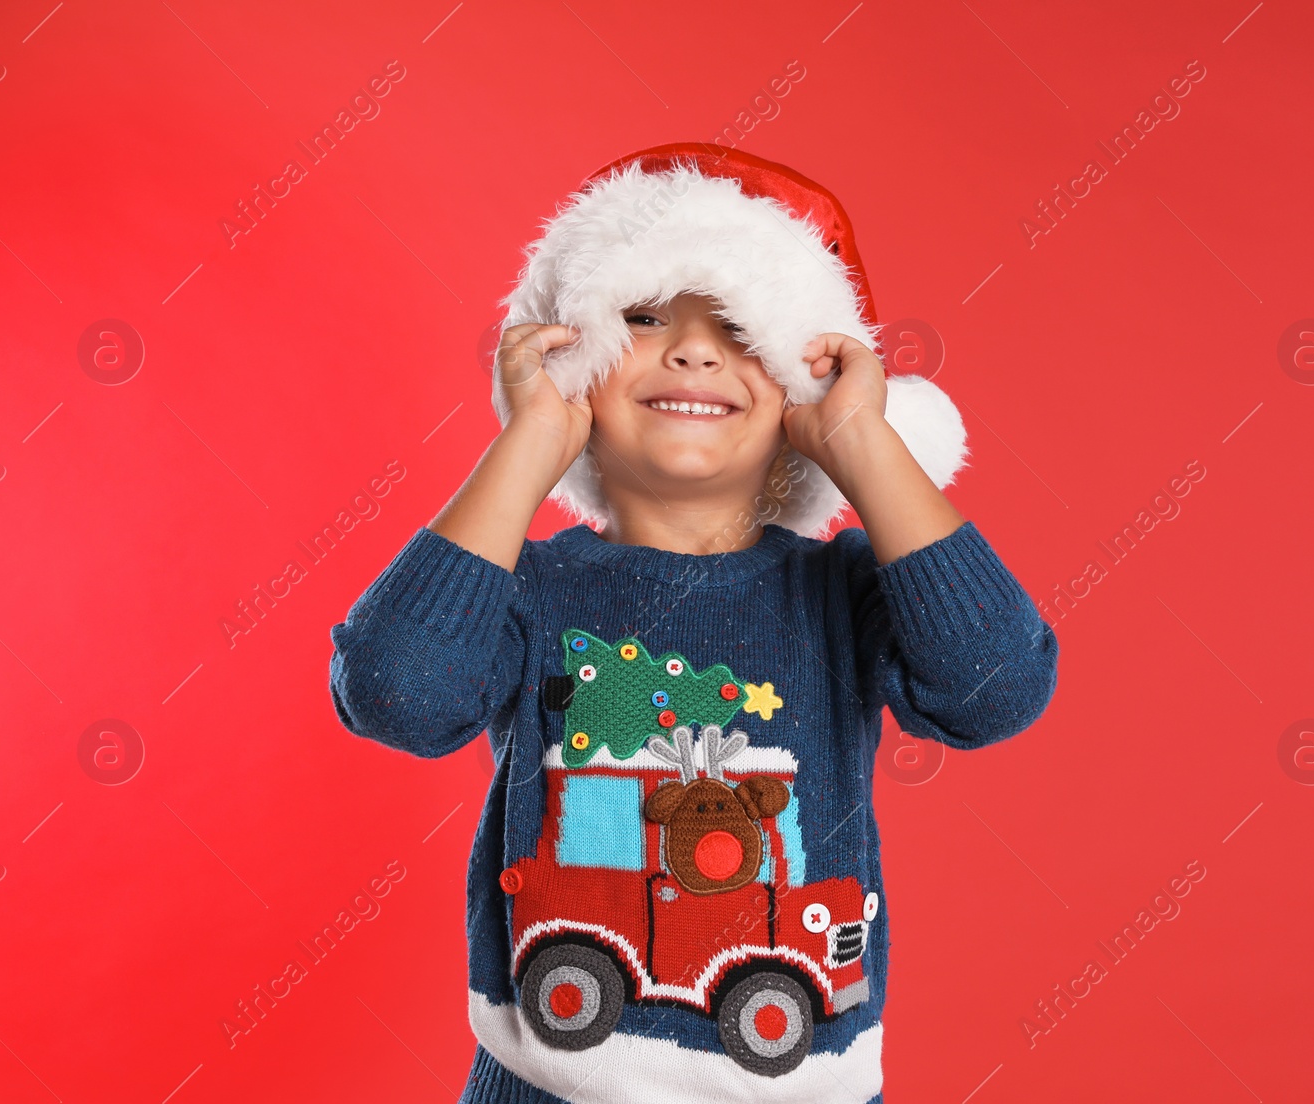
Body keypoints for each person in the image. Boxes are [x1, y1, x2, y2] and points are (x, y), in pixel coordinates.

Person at [328, 144, 1059, 1104]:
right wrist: (531, 444)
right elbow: (395, 694)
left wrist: (860, 445)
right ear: (576, 354)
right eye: (642, 317)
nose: (694, 351)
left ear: (804, 383)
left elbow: (995, 687)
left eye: (742, 328)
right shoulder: (528, 589)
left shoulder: (845, 593)